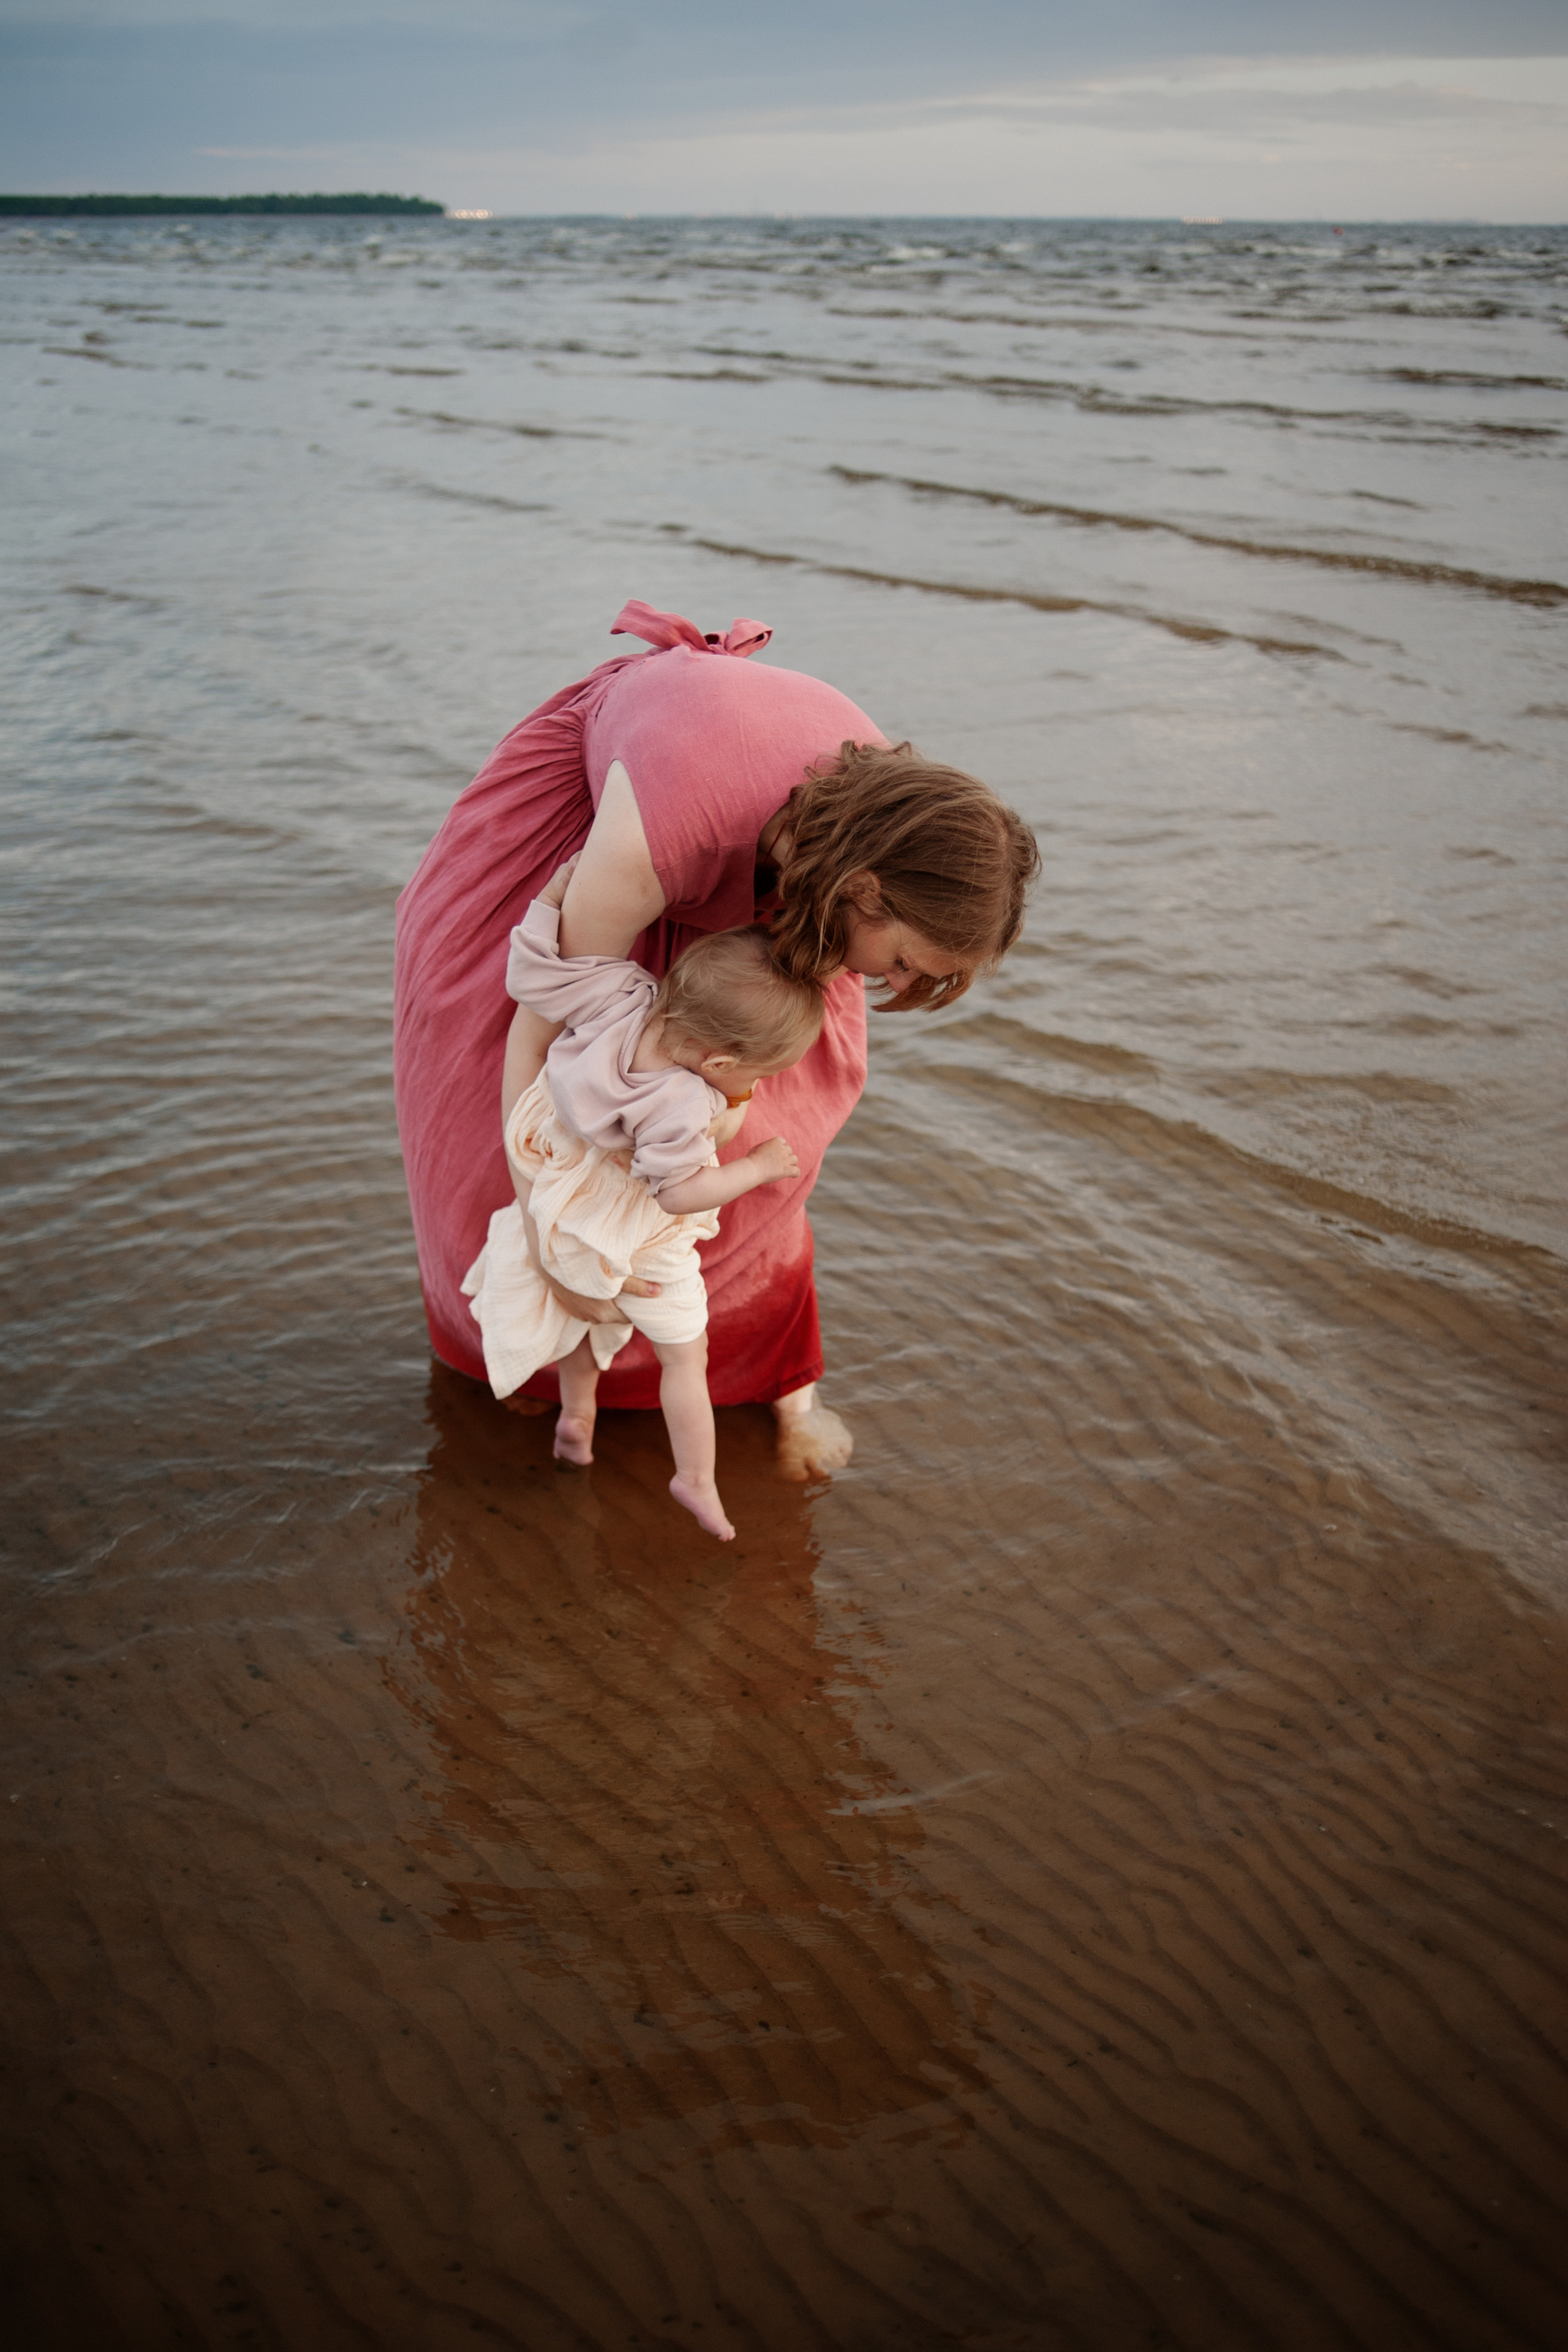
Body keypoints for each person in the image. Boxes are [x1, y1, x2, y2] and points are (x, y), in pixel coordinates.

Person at [394, 598, 1039, 1477]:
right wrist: (537, 1199)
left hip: (779, 887)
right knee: (535, 1140)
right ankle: (530, 1352)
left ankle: (762, 1381)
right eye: (900, 963)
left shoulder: (900, 831)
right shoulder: (667, 835)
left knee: (775, 1139)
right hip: (600, 869)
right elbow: (537, 1028)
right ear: (867, 893)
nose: (895, 987)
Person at [462, 856, 825, 1539]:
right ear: (720, 1064)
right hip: (625, 1219)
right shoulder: (685, 1103)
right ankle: (694, 1478)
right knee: (684, 1356)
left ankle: (577, 1420)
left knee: (583, 1321)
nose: (756, 1085)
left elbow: (534, 974)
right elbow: (681, 1191)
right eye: (759, 1074)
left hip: (557, 1196)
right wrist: (756, 1168)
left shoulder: (622, 996)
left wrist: (551, 897)